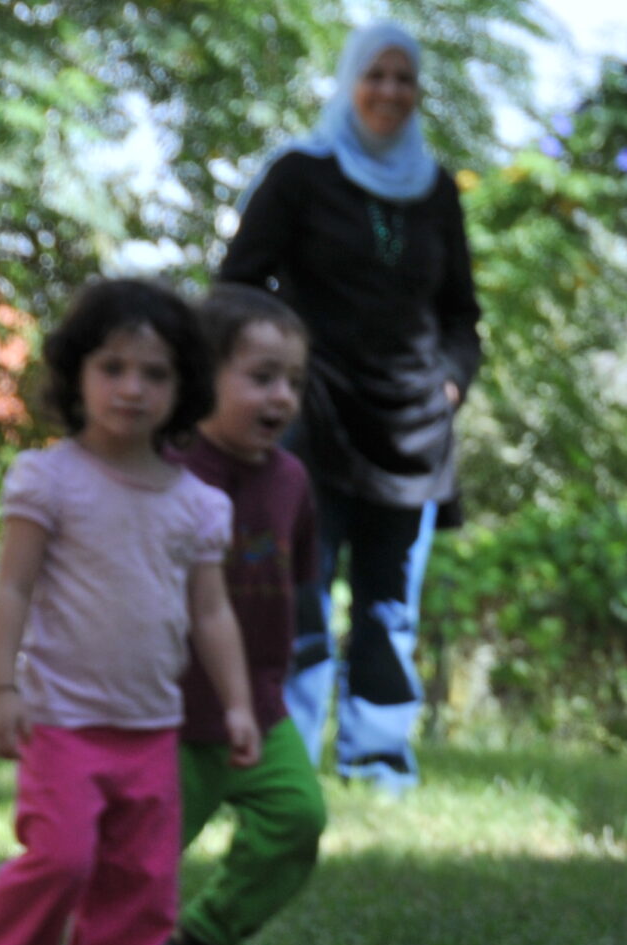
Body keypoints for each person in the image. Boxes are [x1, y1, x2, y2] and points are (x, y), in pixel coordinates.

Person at [0, 279, 257, 945]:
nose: (132, 388)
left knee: (141, 892)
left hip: (151, 728)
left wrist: (239, 704)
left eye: (155, 373)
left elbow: (211, 614)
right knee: (61, 862)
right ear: (77, 375)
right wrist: (3, 690)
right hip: (62, 720)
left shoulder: (198, 505)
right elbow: (13, 590)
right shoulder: (49, 480)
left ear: (185, 390)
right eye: (113, 367)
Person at [221, 20, 480, 793]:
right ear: (349, 80)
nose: (390, 92)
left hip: (412, 428)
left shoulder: (434, 189)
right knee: (294, 592)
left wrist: (451, 382)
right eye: (377, 75)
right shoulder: (301, 174)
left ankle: (376, 761)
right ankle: (285, 761)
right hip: (311, 418)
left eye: (405, 79)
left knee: (390, 609)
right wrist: (272, 377)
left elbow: (462, 312)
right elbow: (235, 286)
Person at [159, 286, 327, 945]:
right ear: (203, 373)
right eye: (261, 376)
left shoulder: (291, 481)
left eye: (293, 379)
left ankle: (206, 936)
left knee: (297, 816)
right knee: (140, 863)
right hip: (166, 710)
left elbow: (296, 579)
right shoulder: (166, 470)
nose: (282, 395)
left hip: (258, 704)